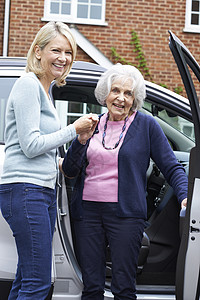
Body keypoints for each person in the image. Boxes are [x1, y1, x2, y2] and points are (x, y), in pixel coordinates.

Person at [60, 63, 188, 300]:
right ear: (105, 94)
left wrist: (185, 197)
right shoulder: (91, 124)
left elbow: (171, 166)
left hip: (126, 215)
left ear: (135, 98)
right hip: (87, 213)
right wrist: (80, 141)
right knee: (91, 287)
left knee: (124, 287)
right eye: (115, 91)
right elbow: (69, 170)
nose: (120, 98)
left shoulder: (146, 126)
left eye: (128, 93)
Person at [0, 21, 98, 300]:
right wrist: (73, 129)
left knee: (25, 279)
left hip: (38, 190)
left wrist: (66, 154)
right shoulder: (28, 85)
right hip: (25, 190)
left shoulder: (45, 89)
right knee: (38, 283)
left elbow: (34, 145)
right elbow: (30, 146)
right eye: (56, 50)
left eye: (68, 52)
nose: (63, 58)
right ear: (39, 51)